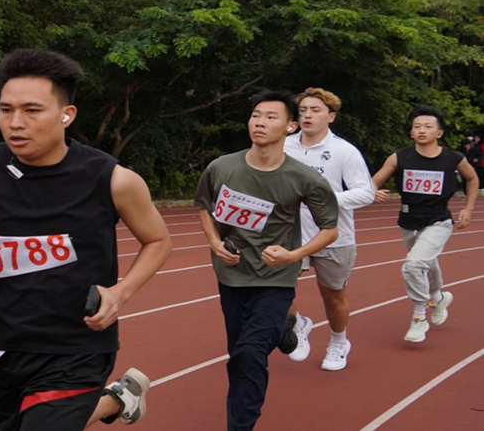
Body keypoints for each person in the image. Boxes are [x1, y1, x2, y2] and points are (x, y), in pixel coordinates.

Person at [0, 49, 172, 431]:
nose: (15, 123)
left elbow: (158, 241)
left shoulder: (111, 179)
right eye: (6, 110)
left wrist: (120, 293)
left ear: (66, 114)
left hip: (77, 345)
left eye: (32, 110)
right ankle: (116, 400)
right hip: (0, 343)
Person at [194, 90, 339, 431]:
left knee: (249, 352)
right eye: (256, 115)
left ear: (290, 127)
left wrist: (294, 255)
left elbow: (330, 230)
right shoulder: (221, 167)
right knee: (239, 356)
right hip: (231, 274)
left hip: (276, 277)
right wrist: (215, 243)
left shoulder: (305, 178)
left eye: (271, 117)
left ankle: (240, 426)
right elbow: (204, 207)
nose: (259, 122)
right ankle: (285, 329)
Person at [283, 88, 375, 370]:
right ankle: (298, 323)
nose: (307, 115)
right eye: (303, 110)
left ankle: (338, 342)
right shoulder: (284, 146)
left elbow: (366, 193)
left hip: (333, 236)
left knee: (332, 296)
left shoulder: (344, 151)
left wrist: (326, 199)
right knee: (275, 288)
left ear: (331, 117)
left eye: (315, 110)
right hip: (291, 234)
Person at [371, 106, 477, 343]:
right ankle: (439, 298)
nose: (421, 130)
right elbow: (373, 182)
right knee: (425, 262)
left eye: (428, 126)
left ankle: (419, 315)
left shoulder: (453, 158)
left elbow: (472, 178)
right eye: (417, 126)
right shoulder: (399, 157)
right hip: (408, 220)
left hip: (438, 219)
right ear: (411, 132)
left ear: (439, 133)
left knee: (413, 265)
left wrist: (468, 208)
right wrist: (373, 191)